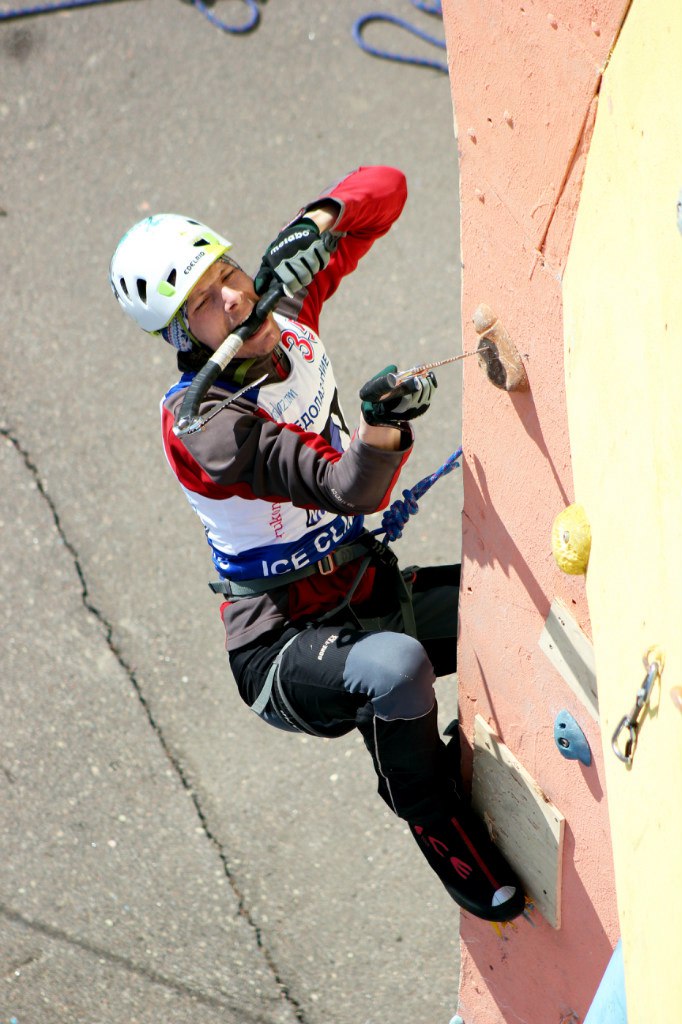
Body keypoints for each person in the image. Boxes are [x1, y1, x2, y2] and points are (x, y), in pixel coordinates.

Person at [109, 165, 524, 922]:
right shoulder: (203, 427)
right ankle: (432, 816)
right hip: (283, 645)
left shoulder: (281, 303)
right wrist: (384, 426)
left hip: (364, 586)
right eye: (203, 302)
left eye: (227, 272)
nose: (235, 296)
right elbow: (350, 488)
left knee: (501, 611)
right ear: (182, 336)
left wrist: (321, 218)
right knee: (397, 670)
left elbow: (390, 186)